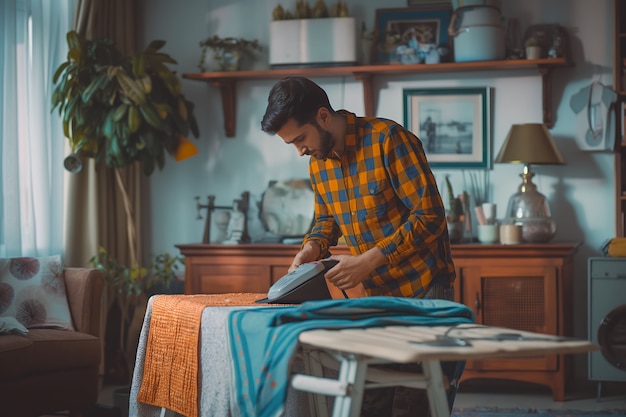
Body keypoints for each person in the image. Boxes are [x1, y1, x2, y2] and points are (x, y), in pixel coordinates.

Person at [261, 76, 461, 417]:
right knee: (369, 406)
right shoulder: (318, 164)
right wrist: (311, 247)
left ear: (323, 116)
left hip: (425, 293)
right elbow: (327, 220)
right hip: (377, 302)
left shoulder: (388, 140)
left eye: (300, 139)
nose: (299, 151)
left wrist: (371, 259)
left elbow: (430, 216)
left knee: (411, 407)